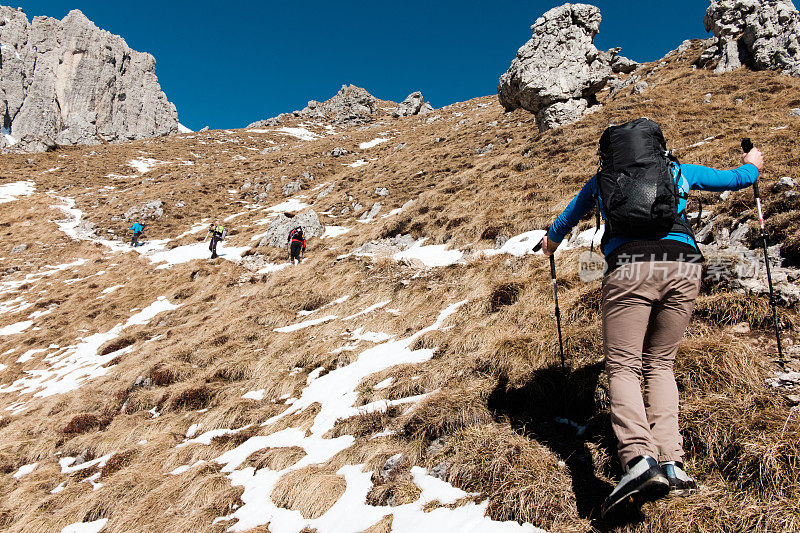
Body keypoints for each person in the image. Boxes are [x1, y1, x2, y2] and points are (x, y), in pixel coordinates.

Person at [540, 118, 764, 516]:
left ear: (609, 152)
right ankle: (672, 463)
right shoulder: (678, 171)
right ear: (656, 145)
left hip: (629, 266)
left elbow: (566, 220)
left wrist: (550, 243)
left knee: (624, 367)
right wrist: (753, 162)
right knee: (661, 364)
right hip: (684, 267)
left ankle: (638, 460)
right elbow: (736, 179)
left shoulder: (602, 181)